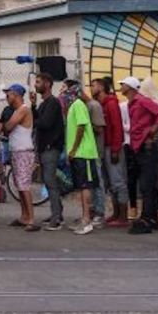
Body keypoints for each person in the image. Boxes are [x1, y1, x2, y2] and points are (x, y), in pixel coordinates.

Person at [119, 76, 158, 235]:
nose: (121, 87)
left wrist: (153, 129)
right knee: (145, 183)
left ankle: (148, 217)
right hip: (140, 146)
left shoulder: (142, 101)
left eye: (123, 85)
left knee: (146, 184)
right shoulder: (134, 103)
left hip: (146, 147)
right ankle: (151, 217)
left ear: (130, 87)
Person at [0, 84, 39, 231]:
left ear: (16, 95)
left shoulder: (23, 110)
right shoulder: (18, 110)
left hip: (24, 152)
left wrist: (6, 124)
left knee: (24, 186)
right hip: (17, 151)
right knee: (19, 186)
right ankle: (24, 216)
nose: (6, 98)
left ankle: (31, 219)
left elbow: (8, 126)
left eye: (8, 94)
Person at [64, 81, 99, 235]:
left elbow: (81, 126)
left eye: (65, 88)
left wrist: (73, 149)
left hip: (83, 153)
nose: (63, 91)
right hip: (77, 153)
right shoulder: (73, 106)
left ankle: (87, 220)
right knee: (81, 186)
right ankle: (84, 217)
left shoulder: (78, 104)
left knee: (85, 186)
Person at [93, 78, 129, 227]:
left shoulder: (111, 104)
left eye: (94, 85)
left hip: (111, 147)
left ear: (101, 87)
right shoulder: (101, 105)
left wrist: (115, 149)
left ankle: (123, 216)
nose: (92, 88)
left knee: (118, 181)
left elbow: (117, 127)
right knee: (110, 183)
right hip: (104, 147)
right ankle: (115, 213)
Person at [32, 72, 65, 231]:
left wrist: (34, 121)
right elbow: (39, 119)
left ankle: (56, 218)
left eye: (38, 82)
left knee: (50, 182)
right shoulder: (44, 103)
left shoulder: (52, 102)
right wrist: (33, 106)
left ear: (47, 84)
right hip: (45, 148)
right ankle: (57, 213)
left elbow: (44, 123)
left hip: (50, 148)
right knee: (48, 181)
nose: (35, 85)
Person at [78, 82, 106, 225]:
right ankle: (93, 209)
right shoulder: (84, 107)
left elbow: (99, 129)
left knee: (98, 182)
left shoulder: (94, 106)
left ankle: (100, 212)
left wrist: (85, 124)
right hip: (88, 150)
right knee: (91, 182)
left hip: (95, 150)